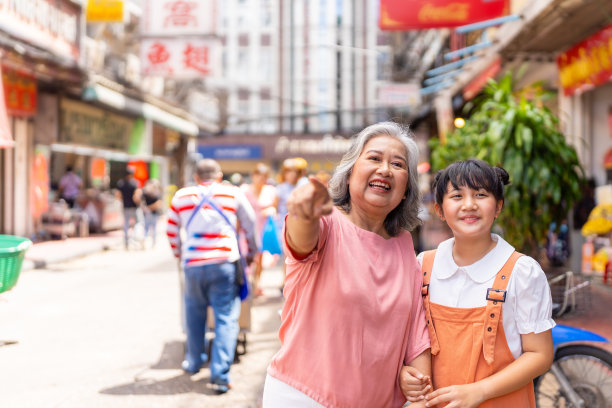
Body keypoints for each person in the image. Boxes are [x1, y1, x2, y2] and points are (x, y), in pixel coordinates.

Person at [262, 122, 431, 408]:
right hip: (305, 397)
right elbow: (301, 240)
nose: (385, 170)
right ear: (351, 172)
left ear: (405, 189)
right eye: (374, 158)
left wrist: (420, 389)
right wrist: (305, 214)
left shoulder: (403, 244)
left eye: (397, 164)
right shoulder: (326, 224)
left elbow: (416, 329)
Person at [400, 159, 554, 408]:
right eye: (457, 196)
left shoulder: (522, 272)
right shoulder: (422, 266)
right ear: (440, 210)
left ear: (498, 206)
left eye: (481, 195)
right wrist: (404, 372)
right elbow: (410, 342)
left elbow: (540, 354)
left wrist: (479, 392)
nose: (469, 205)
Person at [166, 159, 259, 394]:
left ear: (196, 177)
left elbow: (171, 230)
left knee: (194, 313)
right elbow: (249, 223)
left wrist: (179, 253)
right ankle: (219, 375)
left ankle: (194, 361)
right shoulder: (232, 193)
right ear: (218, 177)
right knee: (226, 318)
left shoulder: (181, 196)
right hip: (224, 263)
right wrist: (253, 251)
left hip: (193, 265)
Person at [241, 163, 277, 296]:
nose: (260, 180)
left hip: (263, 229)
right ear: (253, 176)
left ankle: (256, 285)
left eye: (263, 177)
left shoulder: (270, 190)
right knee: (247, 258)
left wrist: (270, 210)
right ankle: (247, 284)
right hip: (247, 230)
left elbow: (275, 207)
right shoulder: (244, 190)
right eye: (258, 177)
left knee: (260, 259)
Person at [116, 167, 142, 249]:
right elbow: (136, 196)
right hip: (134, 207)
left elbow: (117, 195)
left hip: (125, 207)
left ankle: (126, 241)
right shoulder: (135, 183)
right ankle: (135, 238)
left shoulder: (121, 183)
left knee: (126, 224)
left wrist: (124, 200)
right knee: (138, 222)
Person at [142, 178, 162, 247]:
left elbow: (158, 204)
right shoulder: (148, 193)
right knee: (151, 228)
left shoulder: (155, 193)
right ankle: (149, 242)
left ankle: (150, 242)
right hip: (150, 213)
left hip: (152, 212)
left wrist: (148, 208)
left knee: (150, 228)